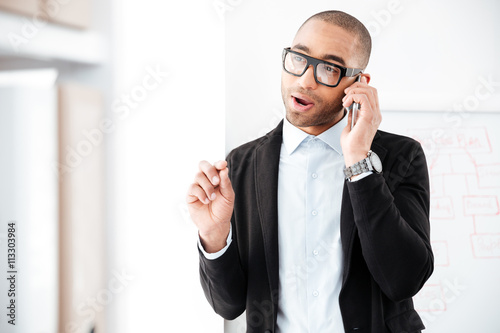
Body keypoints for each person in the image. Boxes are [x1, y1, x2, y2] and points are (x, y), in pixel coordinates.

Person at [186, 10, 433, 333]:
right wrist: (214, 236)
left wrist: (359, 162)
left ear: (358, 83)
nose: (304, 80)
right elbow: (228, 305)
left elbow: (403, 280)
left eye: (329, 69)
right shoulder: (242, 165)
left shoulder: (400, 156)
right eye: (298, 58)